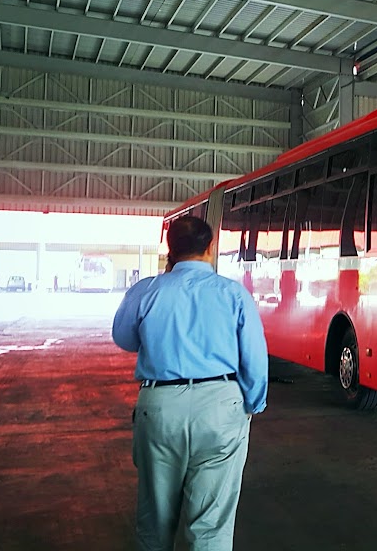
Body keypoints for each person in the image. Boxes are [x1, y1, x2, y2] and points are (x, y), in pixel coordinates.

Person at [112, 216, 268, 551]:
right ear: (210, 248)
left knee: (155, 517)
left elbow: (124, 338)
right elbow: (254, 358)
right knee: (211, 525)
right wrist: (252, 404)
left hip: (160, 408)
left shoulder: (146, 290)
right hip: (221, 407)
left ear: (171, 249)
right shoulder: (233, 294)